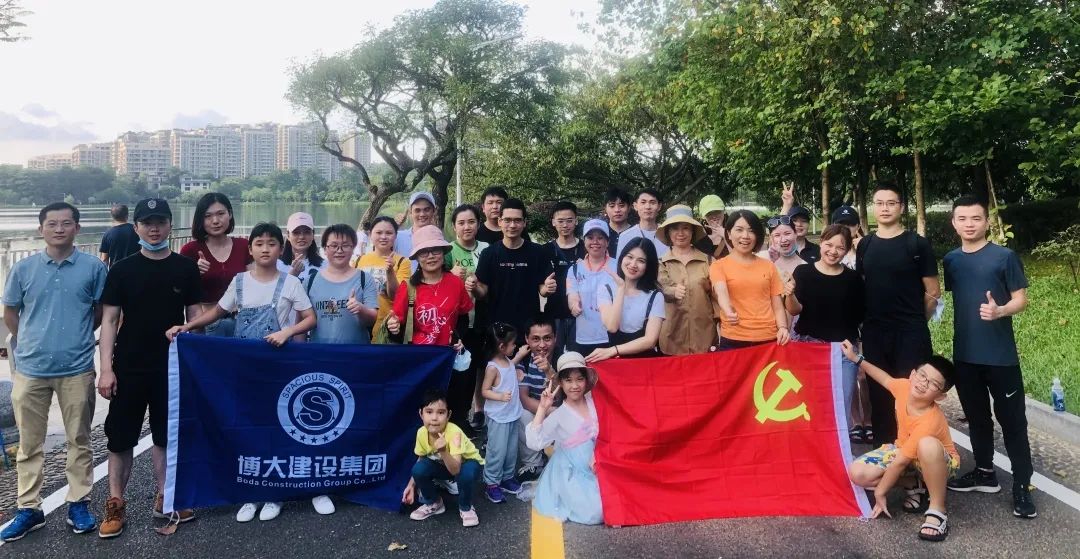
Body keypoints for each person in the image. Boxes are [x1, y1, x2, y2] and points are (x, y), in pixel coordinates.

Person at [167, 222, 317, 522]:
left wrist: (287, 332)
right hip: (244, 370)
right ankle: (251, 493)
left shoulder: (290, 282)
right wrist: (188, 326)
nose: (265, 249)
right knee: (248, 426)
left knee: (276, 427)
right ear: (250, 249)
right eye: (259, 243)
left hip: (278, 368)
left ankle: (275, 494)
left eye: (271, 243)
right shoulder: (239, 282)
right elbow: (217, 312)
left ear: (281, 249)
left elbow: (310, 318)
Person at [96, 198, 202, 538]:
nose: (154, 228)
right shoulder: (122, 269)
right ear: (136, 227)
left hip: (170, 366)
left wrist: (195, 358)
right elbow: (109, 321)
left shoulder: (185, 268)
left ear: (170, 224)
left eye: (160, 221)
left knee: (165, 435)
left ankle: (166, 497)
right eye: (147, 222)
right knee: (120, 437)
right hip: (128, 365)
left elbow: (195, 317)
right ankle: (115, 502)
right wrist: (106, 369)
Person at [1, 202, 106, 542]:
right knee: (29, 443)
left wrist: (78, 338)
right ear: (40, 229)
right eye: (52, 224)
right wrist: (29, 341)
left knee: (80, 439)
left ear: (77, 228)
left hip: (77, 367)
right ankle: (29, 508)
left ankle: (78, 502)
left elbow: (101, 312)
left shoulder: (93, 268)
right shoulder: (24, 269)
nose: (59, 229)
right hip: (31, 369)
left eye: (66, 223)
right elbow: (11, 312)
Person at [943, 196, 1037, 519]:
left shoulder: (1005, 257)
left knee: (1013, 422)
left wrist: (1000, 311)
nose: (969, 224)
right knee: (977, 418)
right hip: (965, 356)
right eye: (962, 218)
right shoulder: (951, 261)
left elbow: (1021, 300)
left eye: (976, 218)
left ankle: (1022, 485)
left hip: (1000, 357)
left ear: (986, 222)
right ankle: (984, 472)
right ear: (954, 223)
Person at [842, 341, 960, 542]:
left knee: (927, 444)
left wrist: (881, 492)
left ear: (941, 396)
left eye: (933, 384)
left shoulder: (931, 419)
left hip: (939, 461)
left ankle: (937, 510)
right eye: (922, 375)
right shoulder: (904, 387)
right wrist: (857, 359)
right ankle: (914, 483)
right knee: (857, 473)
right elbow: (884, 378)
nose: (923, 383)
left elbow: (900, 462)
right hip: (904, 451)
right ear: (912, 374)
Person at [855, 183, 940, 447]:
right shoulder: (865, 245)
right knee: (879, 396)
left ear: (901, 207)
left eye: (891, 203)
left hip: (910, 333)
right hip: (874, 332)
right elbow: (862, 285)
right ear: (873, 207)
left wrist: (917, 321)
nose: (885, 208)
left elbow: (933, 292)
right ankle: (884, 454)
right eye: (879, 203)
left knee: (913, 395)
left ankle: (914, 456)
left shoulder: (917, 244)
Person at [785, 225, 865, 422]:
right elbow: (794, 310)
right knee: (810, 405)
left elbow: (860, 318)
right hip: (809, 347)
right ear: (821, 243)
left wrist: (859, 354)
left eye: (840, 247)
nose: (833, 251)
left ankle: (843, 442)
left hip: (844, 351)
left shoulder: (853, 279)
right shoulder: (803, 272)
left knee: (841, 407)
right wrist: (790, 294)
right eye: (829, 244)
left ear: (846, 250)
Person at [526, 352, 602, 525]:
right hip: (573, 473)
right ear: (560, 382)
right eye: (568, 380)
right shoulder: (559, 415)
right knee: (597, 513)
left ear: (586, 381)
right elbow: (534, 442)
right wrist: (542, 408)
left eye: (579, 379)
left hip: (601, 465)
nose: (575, 386)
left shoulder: (595, 403)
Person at [474, 198, 555, 344]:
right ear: (500, 221)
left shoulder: (538, 252)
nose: (512, 225)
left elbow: (542, 289)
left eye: (517, 220)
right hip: (497, 329)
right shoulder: (489, 253)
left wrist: (548, 288)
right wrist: (473, 287)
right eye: (507, 220)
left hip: (528, 329)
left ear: (524, 223)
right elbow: (482, 292)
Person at [402, 389, 485, 527]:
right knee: (418, 469)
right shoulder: (421, 433)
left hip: (465, 464)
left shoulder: (454, 432)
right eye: (429, 412)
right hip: (444, 465)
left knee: (467, 473)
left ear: (448, 415)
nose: (434, 418)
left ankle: (466, 507)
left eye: (441, 412)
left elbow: (456, 470)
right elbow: (421, 459)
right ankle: (434, 502)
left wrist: (443, 450)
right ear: (421, 414)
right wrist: (411, 486)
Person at [710, 210, 790, 350]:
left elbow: (777, 305)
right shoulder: (718, 266)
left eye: (751, 231)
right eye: (739, 230)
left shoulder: (769, 266)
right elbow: (721, 292)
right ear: (729, 233)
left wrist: (783, 327)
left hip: (768, 339)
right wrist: (728, 310)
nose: (745, 236)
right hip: (733, 338)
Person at [443, 205, 490, 434]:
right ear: (454, 227)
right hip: (459, 322)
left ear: (478, 224)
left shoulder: (486, 249)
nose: (466, 227)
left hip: (482, 319)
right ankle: (453, 418)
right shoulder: (448, 251)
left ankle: (470, 416)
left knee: (475, 369)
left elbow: (491, 284)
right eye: (461, 223)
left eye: (471, 222)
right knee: (458, 372)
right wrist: (451, 276)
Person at [386, 225, 473, 347]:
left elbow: (463, 318)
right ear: (417, 257)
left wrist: (457, 338)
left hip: (446, 352)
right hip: (418, 353)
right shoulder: (408, 287)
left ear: (443, 253)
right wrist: (393, 326)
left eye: (436, 250)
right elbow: (397, 327)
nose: (431, 256)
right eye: (424, 253)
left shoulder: (456, 283)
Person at [180, 193, 251, 337]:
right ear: (200, 219)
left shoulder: (244, 246)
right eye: (208, 216)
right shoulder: (190, 250)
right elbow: (181, 291)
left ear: (230, 214)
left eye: (221, 214)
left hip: (242, 322)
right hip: (206, 325)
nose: (215, 221)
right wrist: (194, 273)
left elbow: (257, 282)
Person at [585, 237, 665, 362]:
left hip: (645, 363)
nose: (633, 264)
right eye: (630, 257)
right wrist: (621, 289)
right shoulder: (606, 289)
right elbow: (612, 326)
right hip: (616, 363)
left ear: (648, 266)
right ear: (622, 257)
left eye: (641, 261)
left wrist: (614, 350)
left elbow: (650, 340)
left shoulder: (655, 296)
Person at [656, 205, 716, 355]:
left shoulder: (708, 261)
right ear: (668, 232)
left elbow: (717, 297)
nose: (680, 233)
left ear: (693, 231)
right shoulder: (661, 263)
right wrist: (672, 291)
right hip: (672, 336)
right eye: (675, 228)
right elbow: (661, 289)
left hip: (704, 337)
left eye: (686, 228)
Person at [480, 322, 529, 503]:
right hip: (499, 417)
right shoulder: (492, 368)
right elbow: (484, 391)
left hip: (511, 414)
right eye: (513, 343)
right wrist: (500, 396)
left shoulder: (507, 361)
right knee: (497, 451)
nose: (515, 346)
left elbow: (509, 367)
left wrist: (519, 355)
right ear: (502, 347)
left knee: (510, 450)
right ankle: (492, 482)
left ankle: (507, 477)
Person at [307, 224, 378, 344]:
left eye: (345, 245)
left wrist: (361, 309)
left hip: (355, 351)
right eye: (334, 245)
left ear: (353, 247)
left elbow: (372, 319)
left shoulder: (365, 279)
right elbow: (302, 321)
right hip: (319, 351)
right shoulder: (310, 281)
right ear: (325, 248)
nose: (339, 251)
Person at [566, 220, 617, 355]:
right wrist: (574, 306)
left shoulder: (619, 266)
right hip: (584, 337)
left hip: (612, 335)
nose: (595, 242)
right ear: (584, 241)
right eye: (590, 237)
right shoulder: (574, 269)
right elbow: (572, 294)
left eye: (600, 238)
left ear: (607, 242)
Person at [515, 317, 557, 482]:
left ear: (555, 338)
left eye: (547, 338)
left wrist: (549, 371)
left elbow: (566, 394)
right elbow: (524, 399)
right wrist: (548, 411)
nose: (542, 345)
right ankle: (533, 463)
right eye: (535, 339)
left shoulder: (563, 357)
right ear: (527, 339)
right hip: (541, 410)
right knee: (520, 413)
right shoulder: (524, 360)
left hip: (561, 411)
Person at [356, 216, 411, 337]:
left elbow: (397, 296)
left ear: (395, 236)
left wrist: (390, 271)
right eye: (379, 232)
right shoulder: (358, 261)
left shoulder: (403, 262)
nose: (383, 237)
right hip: (360, 326)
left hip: (386, 327)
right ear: (370, 235)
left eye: (389, 233)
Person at [545, 201, 585, 352]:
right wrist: (544, 289)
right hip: (554, 313)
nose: (565, 225)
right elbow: (540, 287)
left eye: (569, 220)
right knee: (553, 355)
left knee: (578, 357)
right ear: (553, 222)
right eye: (560, 221)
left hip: (581, 315)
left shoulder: (586, 248)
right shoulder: (545, 250)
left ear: (576, 221)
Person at [615, 189, 668, 258]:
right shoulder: (625, 236)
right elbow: (620, 263)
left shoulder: (667, 235)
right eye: (643, 202)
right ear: (635, 206)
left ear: (659, 206)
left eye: (652, 203)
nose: (647, 207)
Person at [278, 212, 325, 286]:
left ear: (313, 235)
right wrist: (293, 275)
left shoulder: (325, 265)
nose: (301, 237)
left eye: (307, 232)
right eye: (296, 232)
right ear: (288, 235)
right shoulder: (276, 265)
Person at [779, 181, 820, 263]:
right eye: (794, 221)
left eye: (804, 221)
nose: (799, 224)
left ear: (808, 224)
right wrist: (787, 205)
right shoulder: (780, 247)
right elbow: (777, 229)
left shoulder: (817, 250)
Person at [393, 192, 438, 266]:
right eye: (417, 210)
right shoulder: (398, 237)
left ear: (434, 211)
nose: (422, 214)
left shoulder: (439, 241)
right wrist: (393, 227)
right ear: (410, 212)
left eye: (426, 209)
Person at [98, 204, 139, 268]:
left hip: (115, 271)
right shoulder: (137, 230)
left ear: (112, 217)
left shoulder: (108, 234)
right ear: (127, 215)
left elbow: (104, 259)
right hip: (135, 269)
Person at [695, 195, 728, 259]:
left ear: (724, 211)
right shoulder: (698, 238)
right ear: (703, 216)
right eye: (709, 213)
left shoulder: (735, 233)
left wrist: (726, 235)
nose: (714, 216)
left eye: (717, 211)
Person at [602, 187, 632, 259]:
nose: (617, 210)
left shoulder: (637, 232)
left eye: (621, 206)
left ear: (629, 208)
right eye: (612, 206)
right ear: (605, 209)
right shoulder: (601, 232)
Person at [831, 205, 862, 270]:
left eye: (850, 224)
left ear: (858, 226)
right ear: (833, 226)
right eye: (841, 224)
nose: (846, 228)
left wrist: (865, 250)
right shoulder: (827, 250)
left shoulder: (868, 248)